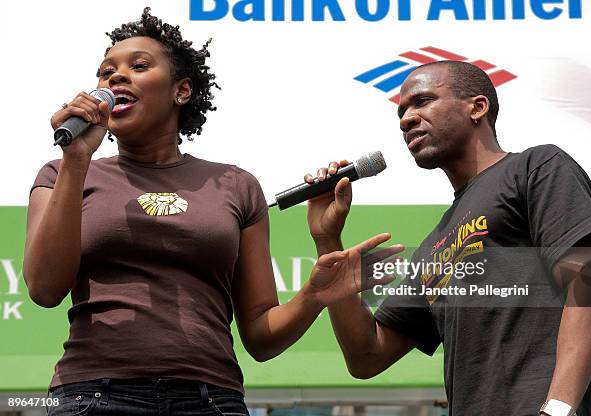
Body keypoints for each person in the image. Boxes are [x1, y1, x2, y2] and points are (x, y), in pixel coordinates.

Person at [23, 8, 400, 416]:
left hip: (211, 399)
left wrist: (313, 296)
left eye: (139, 66)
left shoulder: (236, 186)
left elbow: (260, 337)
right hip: (95, 395)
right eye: (105, 72)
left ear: (181, 91)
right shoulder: (64, 173)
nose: (114, 78)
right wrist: (77, 157)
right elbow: (44, 290)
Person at [305, 61, 591, 415]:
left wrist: (558, 409)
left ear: (477, 107)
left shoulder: (536, 168)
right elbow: (367, 357)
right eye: (402, 112)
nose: (406, 119)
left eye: (422, 102)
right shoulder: (436, 244)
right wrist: (328, 241)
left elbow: (590, 284)